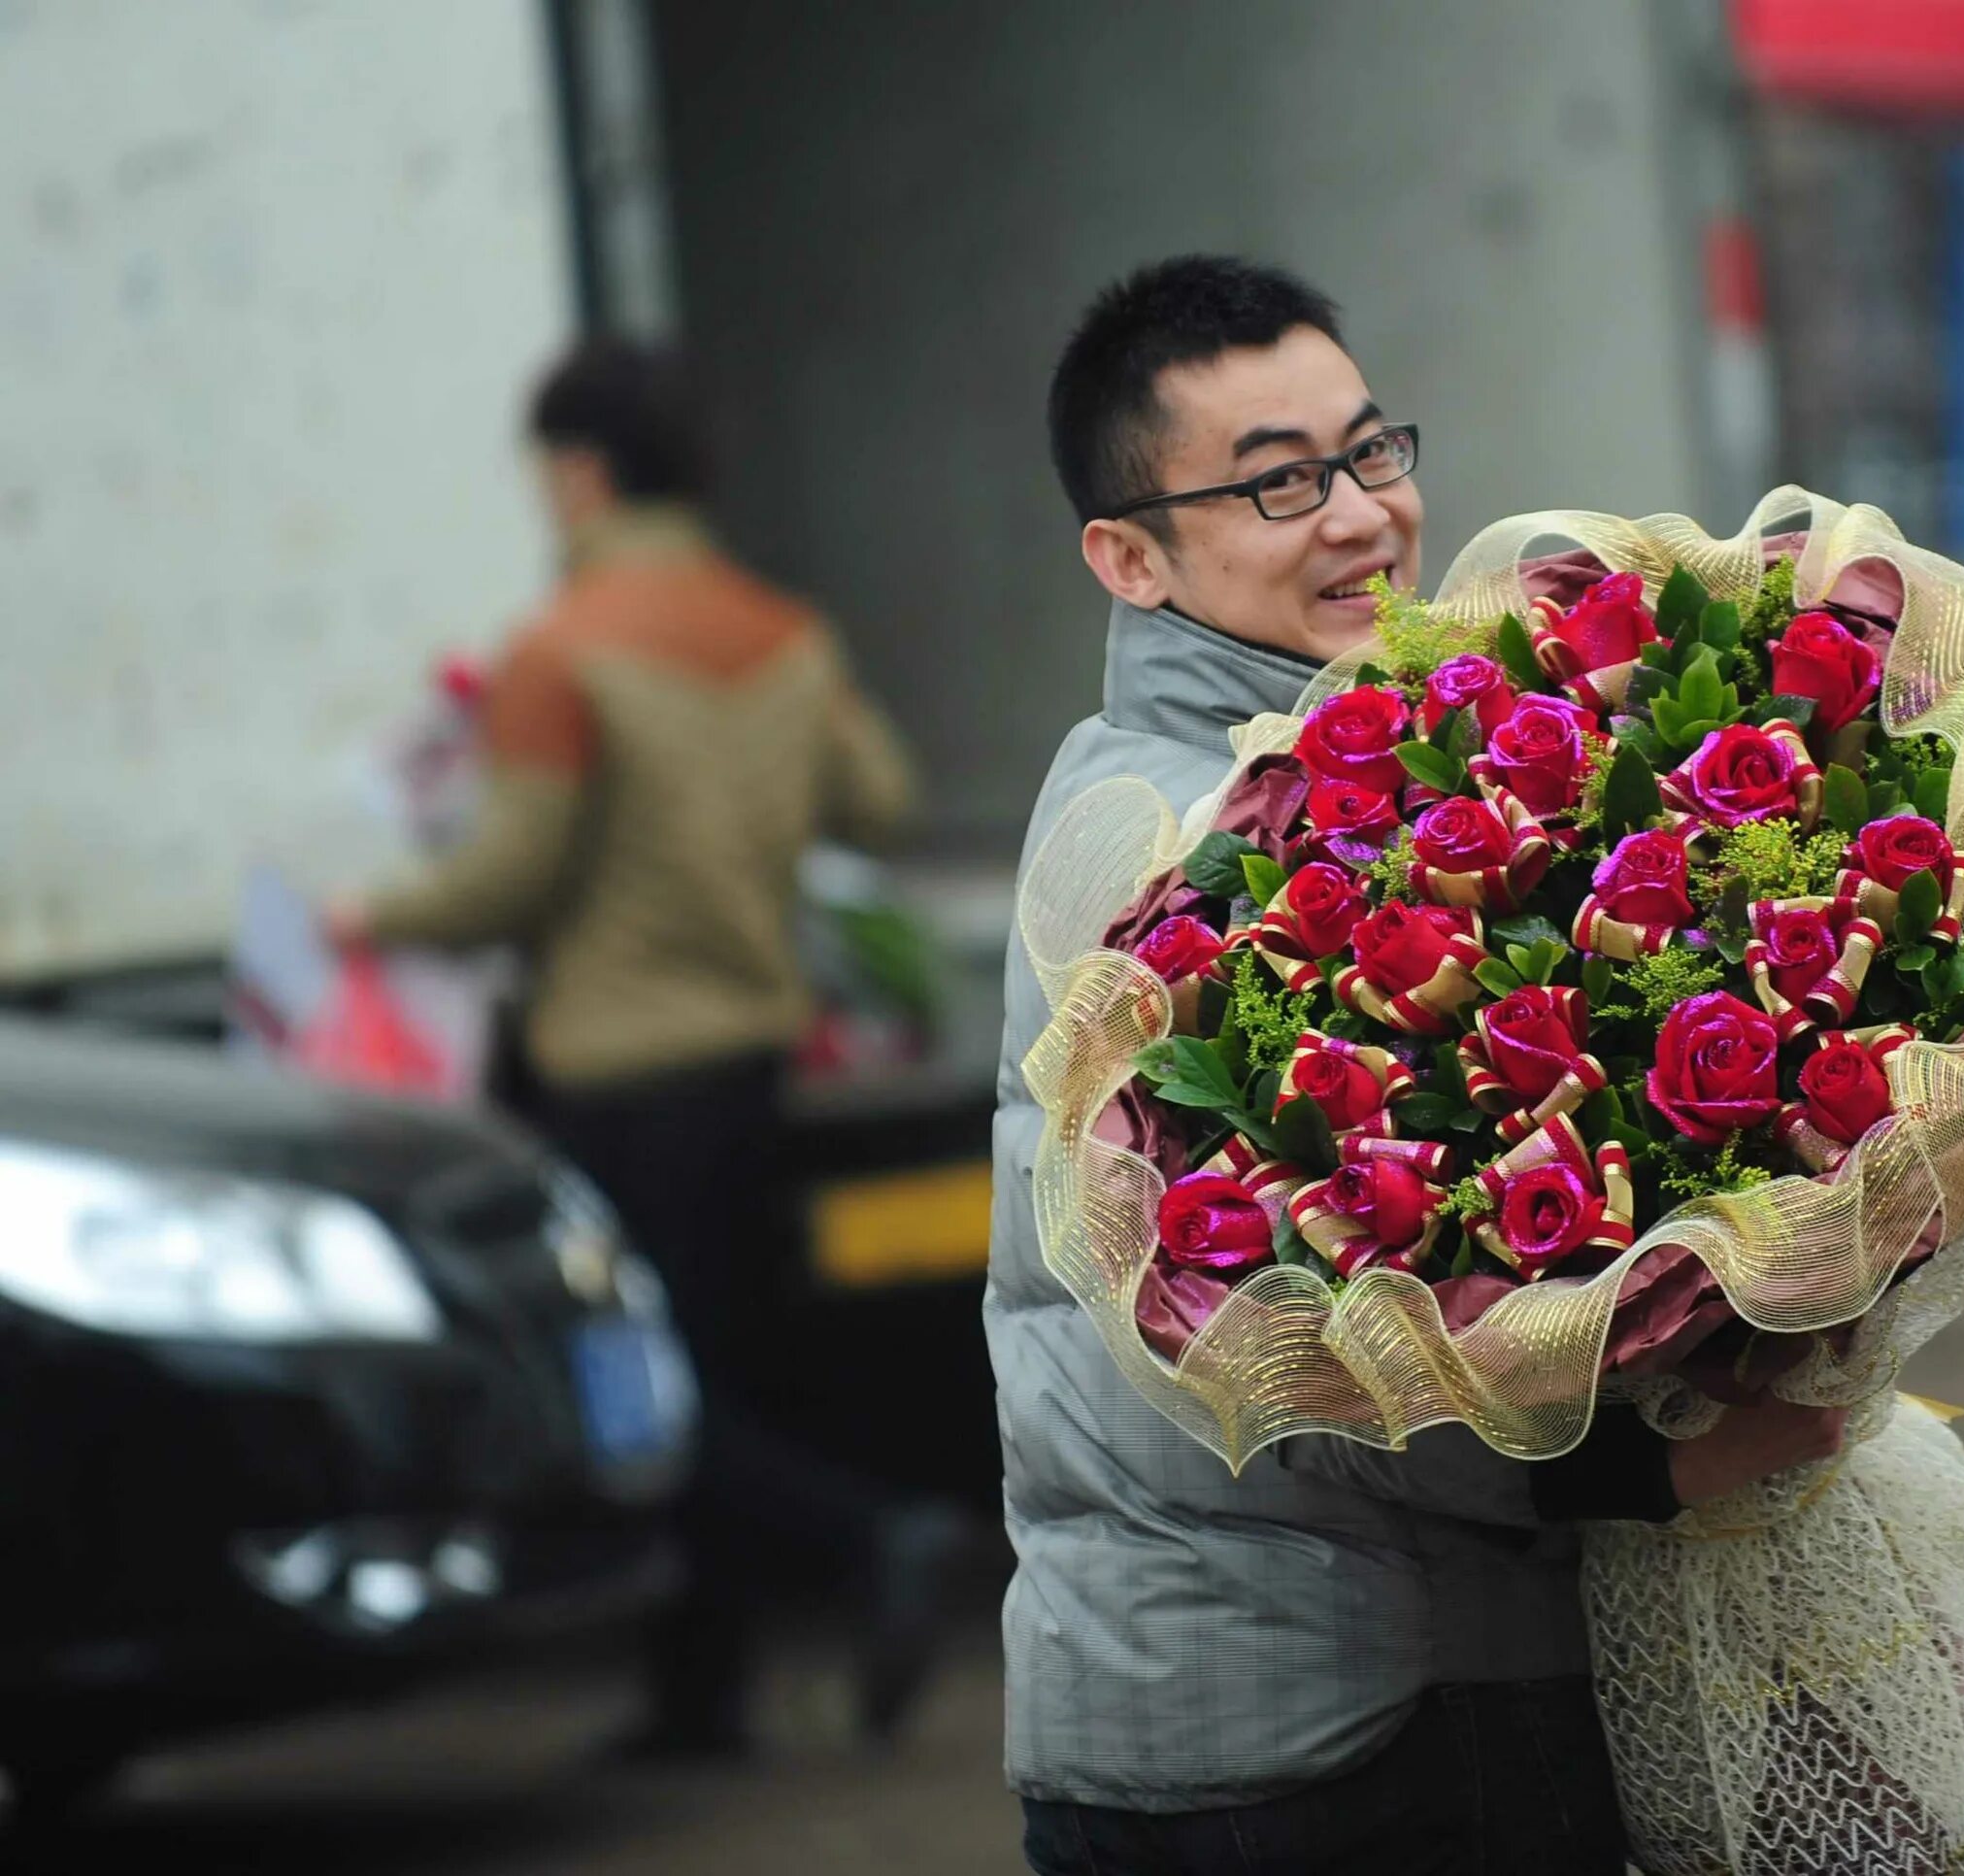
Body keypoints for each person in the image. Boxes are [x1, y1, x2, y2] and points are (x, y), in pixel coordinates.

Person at [991, 256, 1849, 1876]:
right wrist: (1640, 1464)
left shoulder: (1237, 779)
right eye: (1277, 482)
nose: (1360, 517)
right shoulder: (1197, 845)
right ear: (1128, 555)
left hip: (1219, 1709)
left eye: (1371, 453)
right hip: (1350, 1732)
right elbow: (1270, 1334)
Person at [333, 339, 965, 1760]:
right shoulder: (784, 634)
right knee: (708, 1365)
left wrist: (363, 911)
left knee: (635, 1382)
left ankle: (877, 1536)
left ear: (578, 470)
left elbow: (512, 877)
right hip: (751, 1056)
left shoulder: (558, 651)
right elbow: (879, 797)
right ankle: (702, 1699)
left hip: (616, 1069)